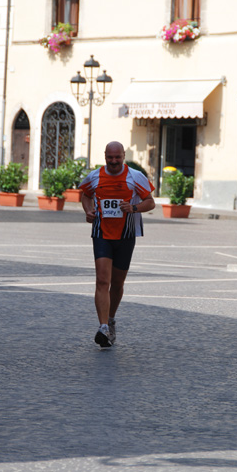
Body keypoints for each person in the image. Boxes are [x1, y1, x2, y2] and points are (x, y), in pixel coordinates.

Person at [79, 141, 155, 347]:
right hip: (101, 233)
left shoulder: (135, 177)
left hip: (126, 235)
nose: (113, 161)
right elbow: (85, 195)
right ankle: (103, 326)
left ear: (123, 156)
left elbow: (150, 201)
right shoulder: (95, 176)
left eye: (117, 157)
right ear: (105, 156)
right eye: (110, 157)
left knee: (118, 283)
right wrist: (88, 211)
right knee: (102, 280)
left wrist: (133, 207)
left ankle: (111, 319)